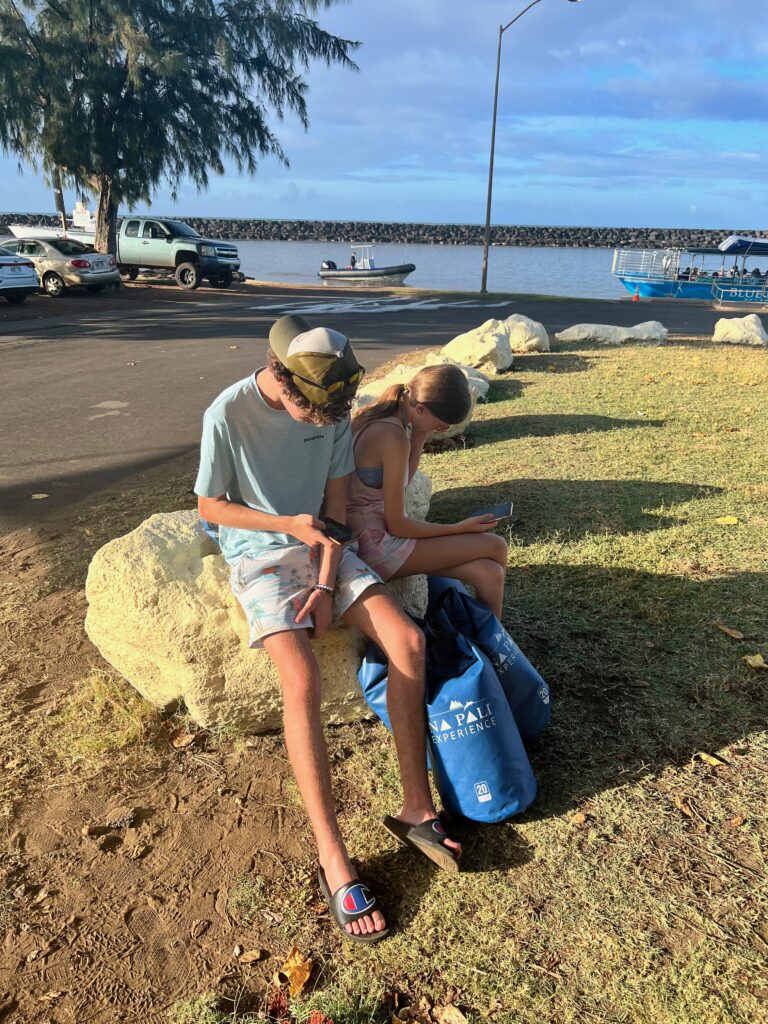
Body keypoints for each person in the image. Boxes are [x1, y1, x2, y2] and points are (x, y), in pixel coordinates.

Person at [195, 315, 461, 944]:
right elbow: (208, 505)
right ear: (278, 373)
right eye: (307, 407)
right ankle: (333, 859)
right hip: (258, 553)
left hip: (325, 550)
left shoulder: (336, 409)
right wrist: (288, 527)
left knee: (409, 641)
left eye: (329, 411)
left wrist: (323, 580)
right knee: (302, 678)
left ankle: (416, 808)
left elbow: (337, 511)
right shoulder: (227, 414)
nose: (320, 420)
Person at [348, 365, 508, 620]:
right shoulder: (392, 436)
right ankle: (493, 649)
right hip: (376, 544)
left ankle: (490, 643)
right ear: (421, 408)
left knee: (489, 572)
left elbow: (402, 482)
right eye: (441, 425)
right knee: (496, 546)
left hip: (374, 534)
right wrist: (459, 528)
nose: (440, 431)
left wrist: (422, 432)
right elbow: (398, 525)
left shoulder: (381, 415)